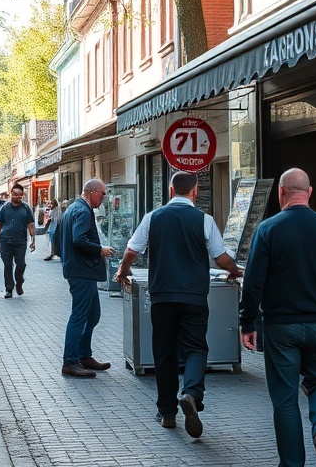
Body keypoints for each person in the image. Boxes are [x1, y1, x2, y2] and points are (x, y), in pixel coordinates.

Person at [239, 168, 316, 467]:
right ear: (310, 192)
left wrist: (248, 322)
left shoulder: (268, 229)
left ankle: (292, 463)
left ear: (281, 192)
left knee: (284, 398)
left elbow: (253, 283)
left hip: (281, 327)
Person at [114, 171, 241, 437]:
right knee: (196, 348)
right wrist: (235, 271)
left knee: (164, 352)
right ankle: (192, 393)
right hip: (194, 296)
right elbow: (220, 258)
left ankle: (167, 412)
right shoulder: (203, 219)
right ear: (195, 193)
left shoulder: (153, 217)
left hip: (162, 296)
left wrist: (123, 270)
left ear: (171, 191)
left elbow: (131, 251)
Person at [59, 178, 115, 378]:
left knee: (92, 315)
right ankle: (71, 360)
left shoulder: (75, 208)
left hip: (80, 270)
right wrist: (100, 249)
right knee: (80, 316)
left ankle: (83, 355)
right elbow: (79, 239)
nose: (103, 198)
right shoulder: (82, 211)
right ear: (92, 192)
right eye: (102, 193)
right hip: (81, 272)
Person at [0, 183, 36, 298]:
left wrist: (33, 240)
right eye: (15, 194)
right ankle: (9, 289)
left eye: (20, 194)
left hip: (20, 241)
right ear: (11, 194)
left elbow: (31, 225)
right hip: (5, 241)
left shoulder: (26, 208)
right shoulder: (4, 208)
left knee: (21, 264)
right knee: (8, 265)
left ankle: (19, 282)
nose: (17, 196)